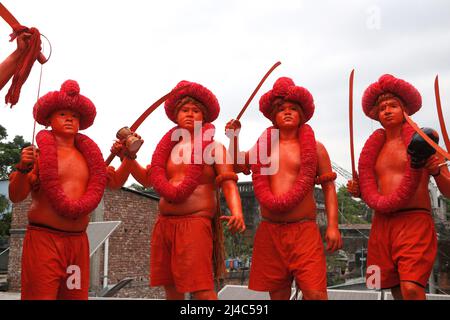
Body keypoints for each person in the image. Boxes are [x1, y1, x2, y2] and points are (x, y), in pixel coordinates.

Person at [9, 80, 133, 300]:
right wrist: (21, 168)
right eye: (63, 114)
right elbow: (16, 196)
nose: (69, 119)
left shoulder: (89, 157)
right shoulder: (38, 155)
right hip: (44, 240)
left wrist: (128, 157)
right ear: (49, 119)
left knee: (74, 297)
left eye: (74, 116)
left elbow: (115, 182)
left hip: (77, 243)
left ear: (80, 122)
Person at [124, 80, 246, 300]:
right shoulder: (167, 150)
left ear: (204, 117)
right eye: (184, 110)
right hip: (164, 224)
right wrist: (130, 156)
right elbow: (146, 179)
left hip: (195, 222)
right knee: (170, 288)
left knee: (202, 289)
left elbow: (228, 181)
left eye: (196, 110)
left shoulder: (214, 147)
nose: (190, 114)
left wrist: (237, 211)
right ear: (176, 115)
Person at [225, 77, 342, 300]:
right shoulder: (263, 147)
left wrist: (333, 226)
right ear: (273, 116)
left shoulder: (316, 148)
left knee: (316, 294)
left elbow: (329, 187)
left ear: (302, 114)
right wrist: (233, 138)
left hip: (305, 231)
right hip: (270, 230)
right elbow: (236, 165)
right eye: (281, 109)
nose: (287, 113)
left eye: (293, 109)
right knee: (277, 295)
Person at [347, 74, 450, 300]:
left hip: (414, 221)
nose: (387, 110)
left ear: (405, 110)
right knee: (395, 289)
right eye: (382, 107)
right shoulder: (375, 148)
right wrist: (358, 192)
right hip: (382, 223)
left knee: (412, 288)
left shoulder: (423, 139)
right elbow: (371, 193)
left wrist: (434, 169)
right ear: (376, 115)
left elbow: (448, 189)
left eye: (393, 105)